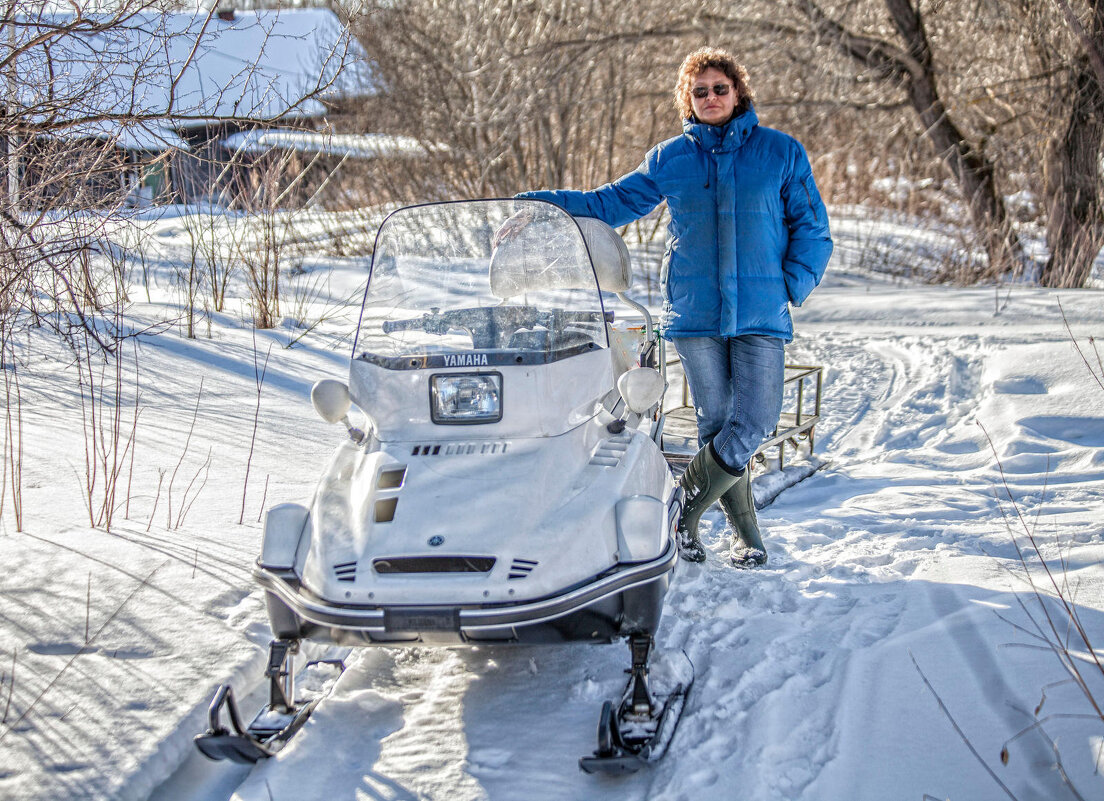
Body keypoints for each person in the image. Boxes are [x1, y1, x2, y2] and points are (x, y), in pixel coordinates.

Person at [514, 47, 833, 566]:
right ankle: (746, 537)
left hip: (760, 312)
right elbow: (608, 203)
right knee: (716, 423)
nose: (710, 97)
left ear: (738, 92)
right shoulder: (670, 158)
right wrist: (537, 204)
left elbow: (813, 229)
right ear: (688, 98)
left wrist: (787, 286)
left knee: (755, 419)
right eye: (699, 90)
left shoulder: (781, 152)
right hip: (694, 313)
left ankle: (682, 507)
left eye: (720, 88)